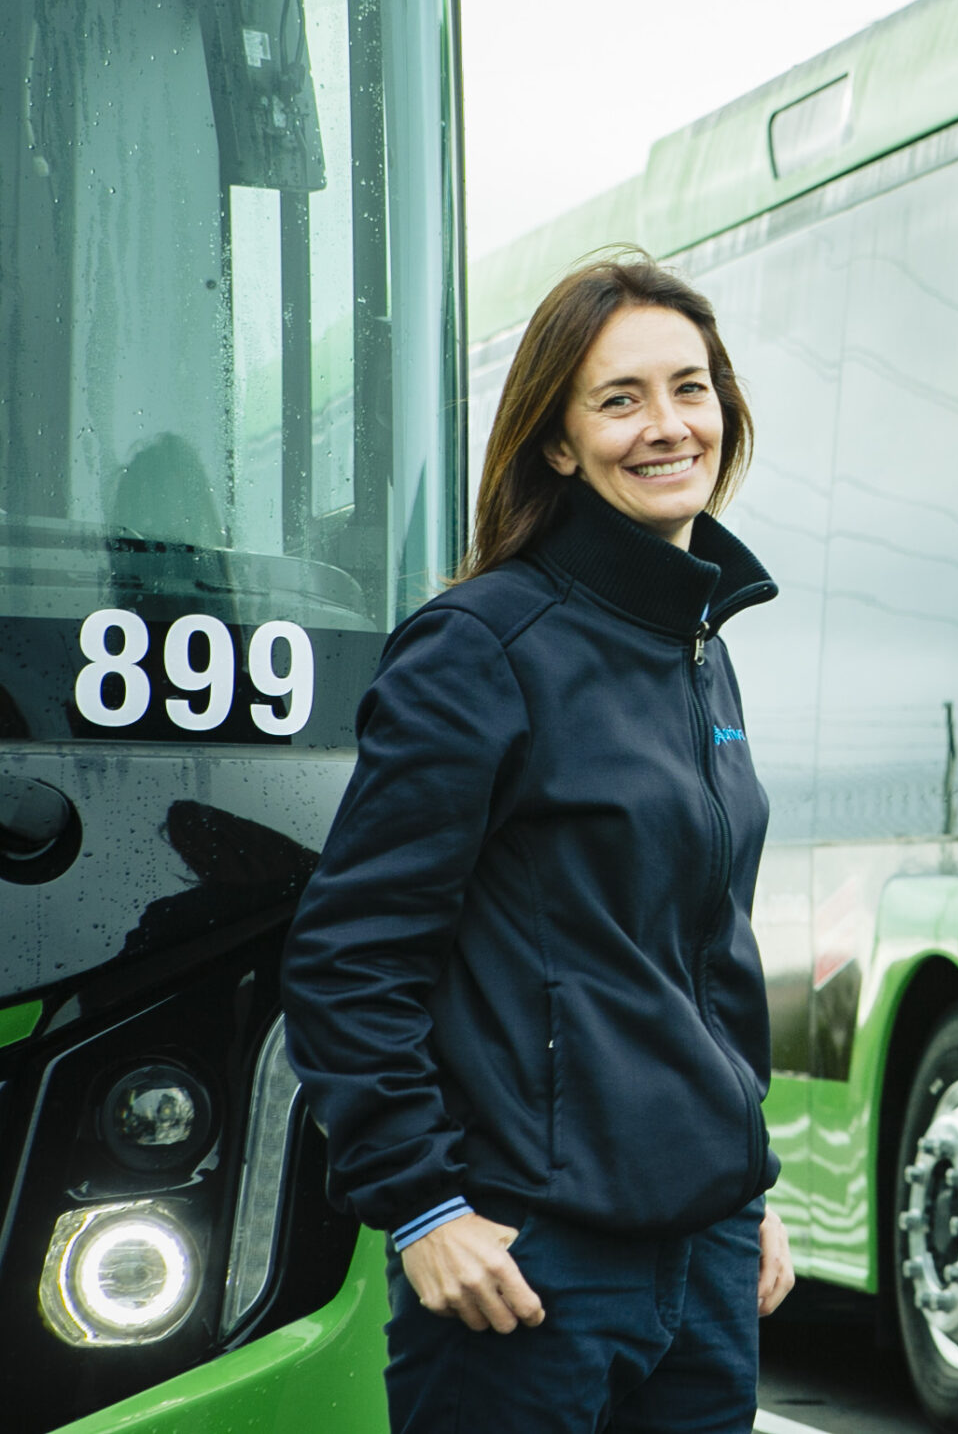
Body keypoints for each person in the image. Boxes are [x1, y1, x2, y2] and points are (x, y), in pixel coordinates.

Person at [284, 252, 794, 1433]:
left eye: (691, 388)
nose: (668, 427)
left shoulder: (700, 643)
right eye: (620, 400)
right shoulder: (480, 648)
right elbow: (350, 952)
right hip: (530, 1265)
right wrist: (420, 1208)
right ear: (557, 442)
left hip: (704, 1257)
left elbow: (703, 953)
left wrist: (743, 1180)